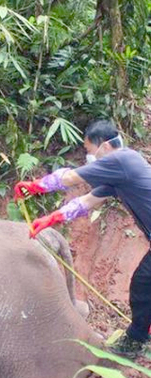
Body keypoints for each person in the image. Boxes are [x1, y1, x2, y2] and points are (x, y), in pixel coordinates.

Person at [14, 119, 151, 358]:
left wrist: (35, 186)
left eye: (90, 151)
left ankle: (137, 339)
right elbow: (87, 201)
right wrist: (50, 219)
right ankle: (139, 335)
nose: (90, 157)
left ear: (105, 146)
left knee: (142, 287)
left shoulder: (120, 160)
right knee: (143, 285)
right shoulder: (119, 172)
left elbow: (69, 179)